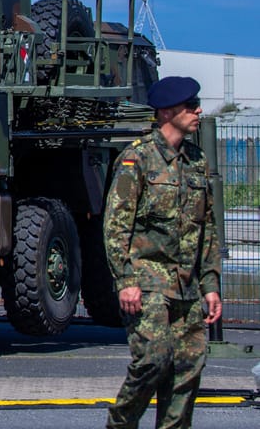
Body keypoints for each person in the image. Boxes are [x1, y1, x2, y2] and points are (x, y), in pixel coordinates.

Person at [104, 75, 222, 429]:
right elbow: (115, 226)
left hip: (186, 284)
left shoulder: (196, 162)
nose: (198, 111)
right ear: (168, 112)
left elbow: (208, 228)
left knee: (189, 366)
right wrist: (125, 279)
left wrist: (210, 283)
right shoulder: (137, 160)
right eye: (191, 106)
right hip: (147, 279)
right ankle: (121, 423)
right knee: (153, 359)